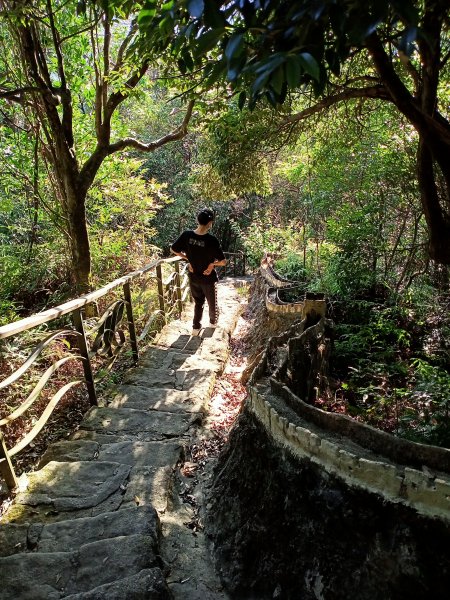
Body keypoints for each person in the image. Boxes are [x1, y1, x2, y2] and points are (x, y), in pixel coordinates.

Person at [171, 208, 227, 336]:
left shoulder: (187, 235)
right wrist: (213, 264)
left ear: (197, 220)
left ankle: (196, 328)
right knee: (212, 303)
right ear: (210, 223)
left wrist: (188, 258)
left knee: (198, 302)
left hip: (193, 277)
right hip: (208, 278)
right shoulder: (212, 240)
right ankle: (212, 323)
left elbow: (173, 249)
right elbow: (223, 261)